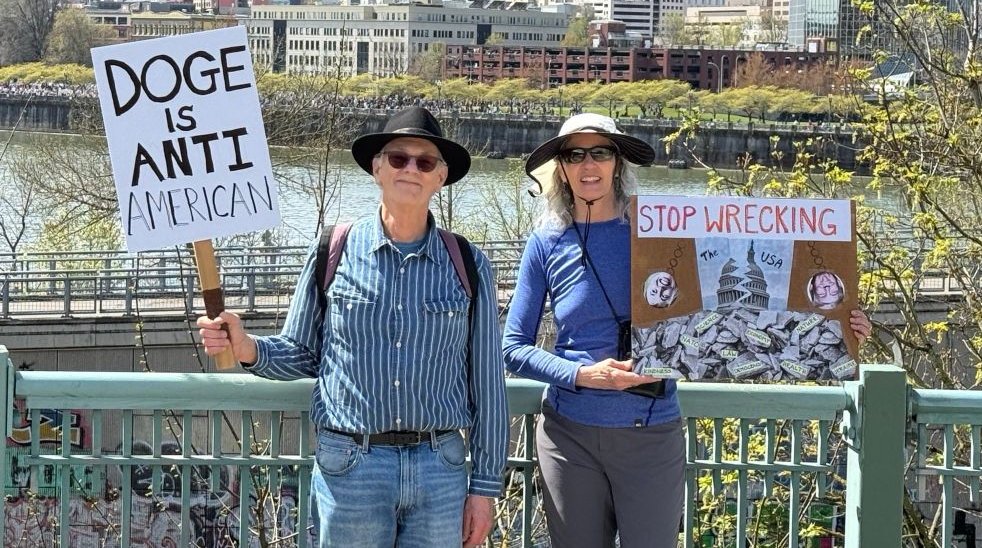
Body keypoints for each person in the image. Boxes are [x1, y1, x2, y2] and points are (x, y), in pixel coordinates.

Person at [501, 113, 872, 548]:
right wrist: (583, 374)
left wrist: (837, 333)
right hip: (570, 436)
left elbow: (736, 311)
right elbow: (513, 347)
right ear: (560, 167)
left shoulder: (664, 231)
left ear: (618, 162)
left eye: (600, 152)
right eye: (574, 154)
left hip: (651, 433)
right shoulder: (546, 241)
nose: (588, 165)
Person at [198, 107, 509, 548]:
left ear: (441, 177)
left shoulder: (468, 264)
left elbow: (488, 387)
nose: (411, 169)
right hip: (351, 467)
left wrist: (484, 488)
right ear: (376, 169)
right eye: (398, 158)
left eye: (425, 162)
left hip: (440, 469)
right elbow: (303, 352)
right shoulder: (334, 250)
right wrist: (247, 346)